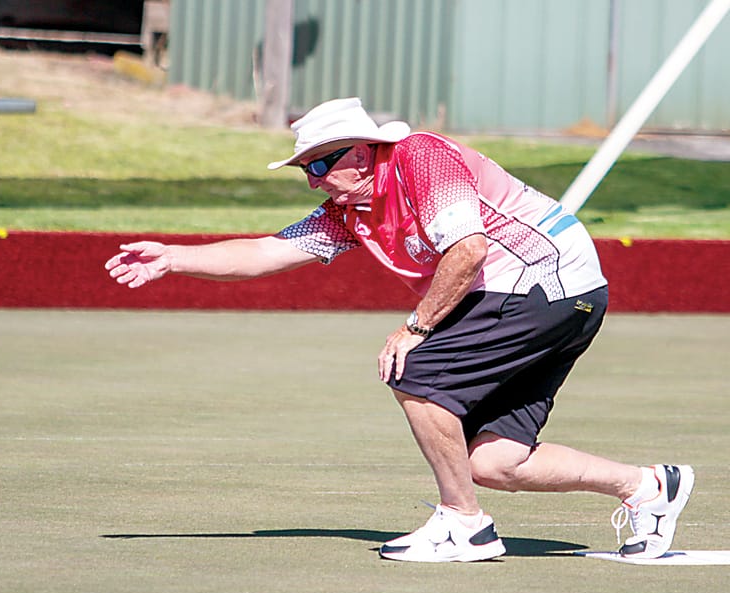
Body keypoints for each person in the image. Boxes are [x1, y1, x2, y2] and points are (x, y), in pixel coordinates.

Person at [104, 97, 694, 563]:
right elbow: (268, 252)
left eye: (317, 165)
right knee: (497, 462)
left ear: (360, 152)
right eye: (305, 169)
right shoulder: (351, 209)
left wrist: (416, 327)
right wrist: (175, 258)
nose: (312, 180)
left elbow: (467, 250)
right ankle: (647, 486)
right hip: (562, 297)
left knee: (416, 368)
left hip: (543, 284)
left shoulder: (421, 159)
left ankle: (465, 524)